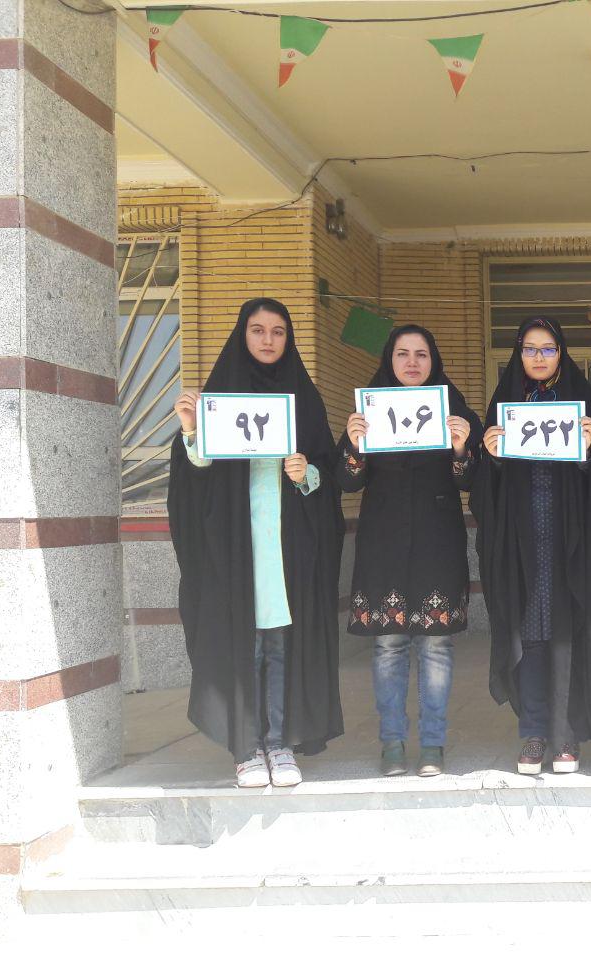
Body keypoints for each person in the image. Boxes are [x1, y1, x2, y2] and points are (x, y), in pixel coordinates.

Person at [169, 297, 344, 788]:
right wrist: (191, 431)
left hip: (287, 549)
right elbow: (196, 476)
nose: (268, 340)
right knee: (245, 644)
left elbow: (327, 473)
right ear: (242, 335)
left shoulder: (304, 398)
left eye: (278, 332)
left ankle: (279, 742)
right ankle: (246, 748)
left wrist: (306, 473)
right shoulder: (220, 396)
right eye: (258, 330)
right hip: (235, 546)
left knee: (280, 644)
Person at [337, 324, 483, 778]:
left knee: (436, 646)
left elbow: (471, 481)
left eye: (422, 353)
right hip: (383, 540)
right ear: (390, 359)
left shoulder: (454, 410)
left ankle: (433, 745)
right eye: (403, 353)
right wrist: (354, 444)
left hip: (437, 540)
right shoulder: (369, 411)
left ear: (434, 360)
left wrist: (461, 448)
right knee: (389, 645)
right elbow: (347, 481)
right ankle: (393, 744)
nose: (412, 362)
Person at [471, 316, 591, 775]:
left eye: (548, 349)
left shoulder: (582, 399)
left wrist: (589, 452)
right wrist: (492, 458)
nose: (538, 357)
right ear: (518, 353)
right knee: (530, 636)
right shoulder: (505, 404)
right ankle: (533, 731)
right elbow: (483, 486)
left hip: (569, 542)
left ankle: (565, 734)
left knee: (567, 636)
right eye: (530, 349)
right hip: (521, 543)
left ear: (561, 353)